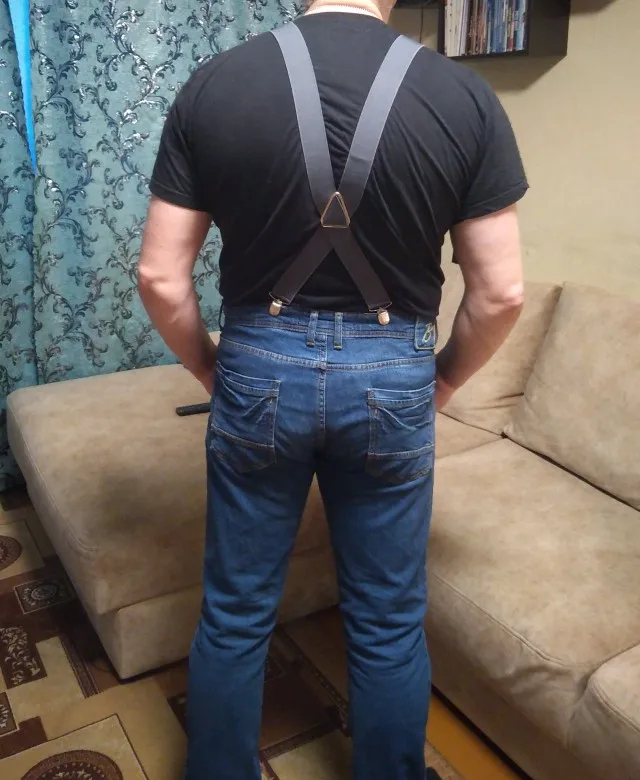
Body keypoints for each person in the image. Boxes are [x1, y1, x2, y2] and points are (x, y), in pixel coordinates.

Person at [138, 0, 527, 777]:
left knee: (236, 612)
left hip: (259, 365)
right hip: (393, 376)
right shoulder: (464, 96)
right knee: (387, 621)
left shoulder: (215, 84)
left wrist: (213, 368)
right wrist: (445, 377)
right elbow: (502, 293)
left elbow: (159, 276)